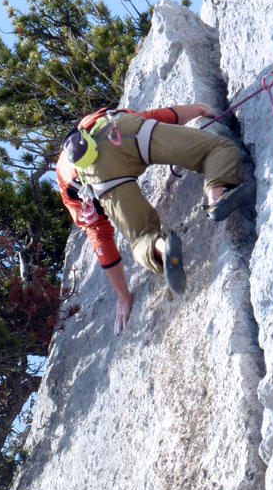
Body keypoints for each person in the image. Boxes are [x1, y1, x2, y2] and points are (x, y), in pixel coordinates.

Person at [56, 102, 252, 334]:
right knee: (217, 149)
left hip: (98, 175)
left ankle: (161, 247)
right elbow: (159, 117)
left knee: (141, 237)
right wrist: (198, 109)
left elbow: (98, 235)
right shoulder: (94, 119)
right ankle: (216, 196)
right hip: (123, 130)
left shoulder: (67, 184)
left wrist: (123, 296)